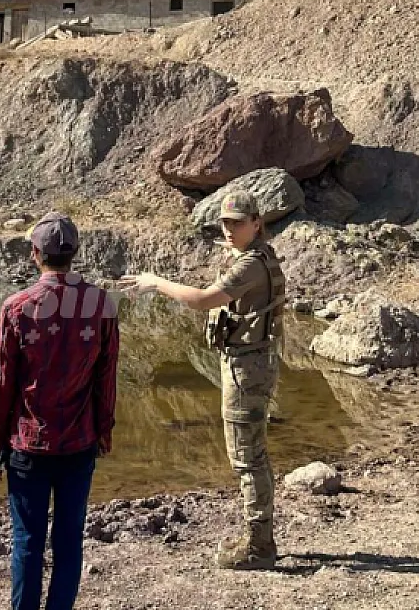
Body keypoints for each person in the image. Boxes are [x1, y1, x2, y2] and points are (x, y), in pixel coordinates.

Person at [120, 191, 285, 570]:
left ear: (257, 223)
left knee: (248, 458)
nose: (229, 230)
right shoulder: (254, 256)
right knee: (251, 455)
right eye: (225, 223)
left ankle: (260, 547)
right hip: (249, 362)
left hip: (247, 368)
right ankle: (260, 539)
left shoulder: (250, 265)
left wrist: (155, 282)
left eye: (237, 223)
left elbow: (201, 300)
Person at [0, 212, 119, 610]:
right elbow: (106, 378)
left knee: (27, 541)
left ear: (35, 254)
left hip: (27, 445)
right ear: (74, 253)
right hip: (79, 443)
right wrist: (104, 431)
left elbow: (1, 384)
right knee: (68, 539)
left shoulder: (16, 307)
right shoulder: (102, 304)